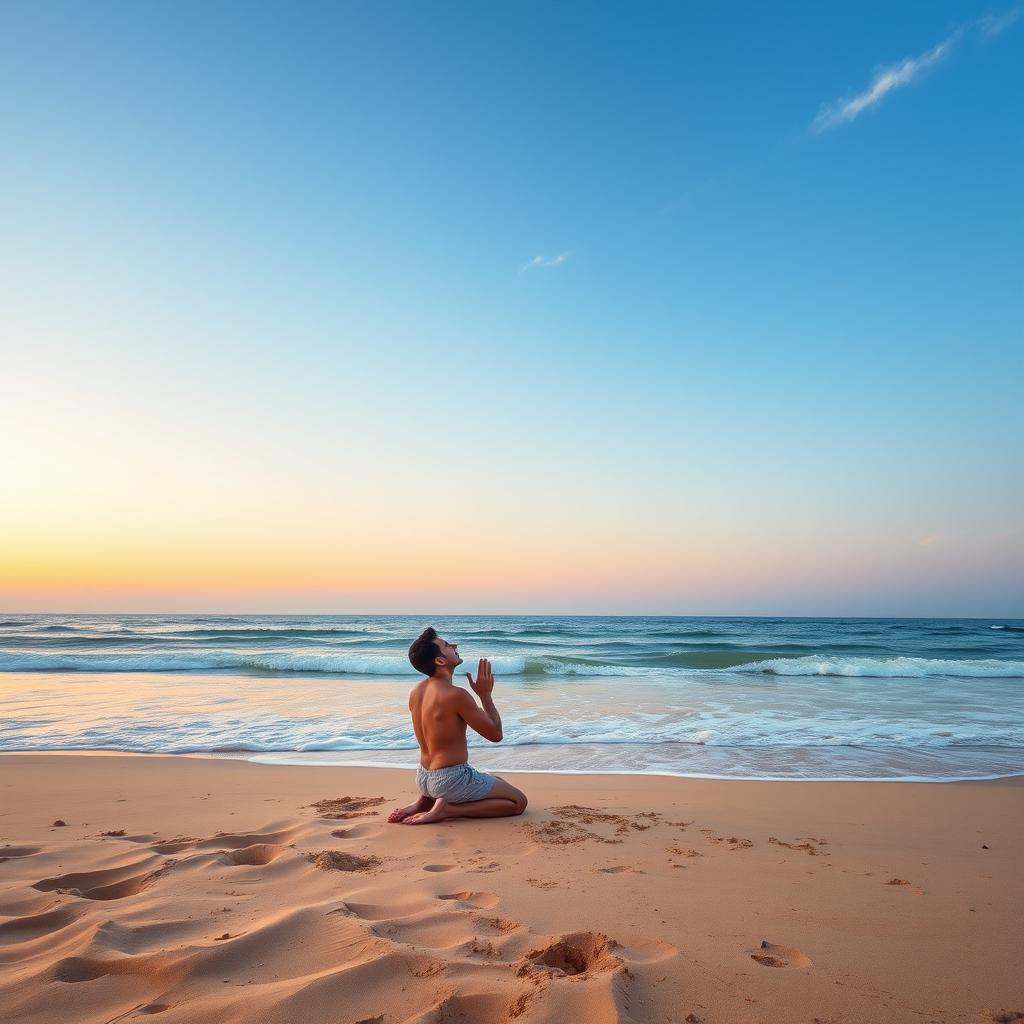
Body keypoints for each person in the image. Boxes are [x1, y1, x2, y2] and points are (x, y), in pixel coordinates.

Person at [388, 626, 528, 825]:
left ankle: (424, 801)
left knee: (497, 780)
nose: (454, 645)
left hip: (424, 776)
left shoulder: (417, 691)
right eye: (447, 645)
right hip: (451, 779)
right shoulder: (456, 695)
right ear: (440, 661)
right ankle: (447, 809)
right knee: (518, 801)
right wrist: (485, 695)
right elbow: (496, 735)